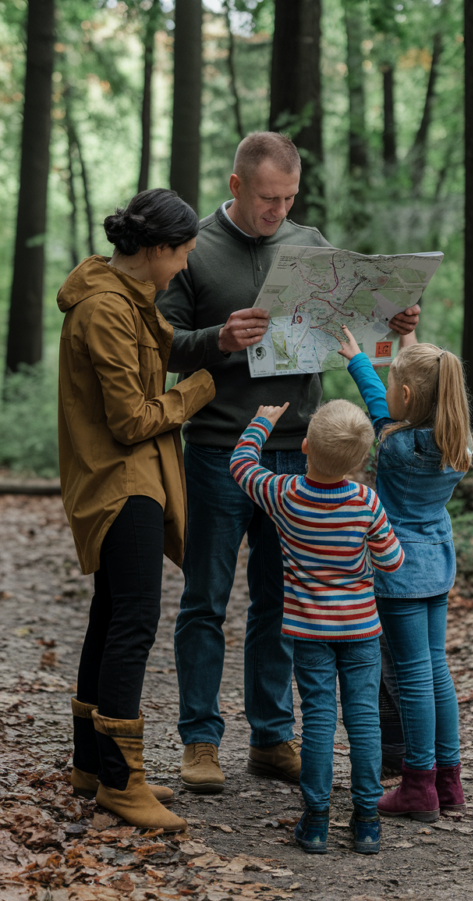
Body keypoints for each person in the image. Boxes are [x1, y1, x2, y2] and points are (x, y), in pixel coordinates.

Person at [157, 131, 420, 793]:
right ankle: (200, 741)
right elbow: (159, 346)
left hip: (299, 448)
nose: (279, 210)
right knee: (205, 599)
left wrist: (393, 316)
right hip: (220, 445)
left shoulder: (313, 247)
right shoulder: (195, 251)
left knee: (282, 599)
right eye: (268, 198)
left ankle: (272, 737)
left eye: (289, 198)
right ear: (237, 185)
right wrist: (216, 338)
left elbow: (350, 323)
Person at [58, 189, 215, 831]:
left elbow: (164, 343)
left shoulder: (130, 303)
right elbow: (131, 420)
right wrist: (199, 391)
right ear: (154, 249)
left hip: (134, 479)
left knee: (112, 612)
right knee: (135, 622)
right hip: (121, 482)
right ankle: (122, 782)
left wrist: (218, 344)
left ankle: (92, 766)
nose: (182, 267)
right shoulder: (104, 310)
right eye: (180, 255)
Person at [230, 399, 404, 853]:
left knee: (320, 720)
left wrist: (260, 422)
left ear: (306, 445)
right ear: (362, 460)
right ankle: (367, 820)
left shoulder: (285, 494)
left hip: (309, 633)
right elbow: (392, 560)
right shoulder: (366, 501)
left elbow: (241, 466)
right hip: (362, 630)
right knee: (364, 720)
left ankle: (317, 820)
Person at [338, 326, 471, 822]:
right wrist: (409, 338)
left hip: (400, 571)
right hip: (437, 563)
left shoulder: (396, 448)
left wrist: (358, 361)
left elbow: (379, 407)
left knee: (413, 676)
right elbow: (411, 392)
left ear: (408, 396)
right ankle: (448, 780)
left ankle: (418, 785)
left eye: (395, 384)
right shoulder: (456, 439)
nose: (388, 390)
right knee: (436, 669)